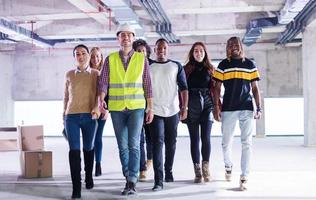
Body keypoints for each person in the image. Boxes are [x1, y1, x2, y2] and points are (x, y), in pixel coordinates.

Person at [98, 23, 154, 195]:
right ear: (118, 38)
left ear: (133, 38)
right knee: (123, 145)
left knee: (134, 144)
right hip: (116, 108)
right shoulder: (110, 59)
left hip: (136, 107)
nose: (126, 38)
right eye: (123, 35)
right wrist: (101, 100)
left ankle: (132, 181)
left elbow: (147, 84)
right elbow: (103, 82)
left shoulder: (141, 59)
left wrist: (150, 107)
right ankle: (128, 175)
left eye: (129, 35)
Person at [213, 36, 262, 191]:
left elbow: (254, 88)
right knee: (226, 143)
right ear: (228, 47)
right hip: (228, 108)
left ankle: (244, 176)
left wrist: (259, 107)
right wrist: (216, 107)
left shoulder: (249, 64)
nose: (233, 46)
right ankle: (228, 166)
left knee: (247, 142)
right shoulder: (223, 64)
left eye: (236, 44)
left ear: (241, 46)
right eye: (230, 44)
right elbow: (216, 88)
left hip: (246, 107)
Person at [149, 38, 188, 191]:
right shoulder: (149, 66)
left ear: (168, 49)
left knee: (171, 143)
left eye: (164, 48)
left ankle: (168, 171)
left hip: (173, 110)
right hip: (155, 110)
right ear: (155, 50)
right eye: (159, 48)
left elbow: (184, 88)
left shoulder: (176, 66)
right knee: (157, 143)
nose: (161, 50)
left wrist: (184, 108)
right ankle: (158, 180)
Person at [63, 44, 99, 199]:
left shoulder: (96, 74)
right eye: (77, 54)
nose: (81, 56)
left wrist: (98, 108)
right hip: (71, 117)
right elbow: (65, 96)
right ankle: (76, 189)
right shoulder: (69, 74)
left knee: (89, 148)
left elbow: (100, 94)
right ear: (75, 57)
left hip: (90, 117)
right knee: (74, 151)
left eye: (83, 53)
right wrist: (63, 114)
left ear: (88, 56)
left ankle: (89, 176)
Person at [183, 42, 215, 183]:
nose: (199, 53)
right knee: (194, 139)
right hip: (192, 104)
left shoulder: (211, 69)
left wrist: (217, 107)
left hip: (207, 104)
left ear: (205, 53)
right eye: (196, 51)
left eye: (201, 51)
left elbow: (215, 89)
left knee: (206, 137)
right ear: (192, 53)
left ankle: (206, 168)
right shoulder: (186, 69)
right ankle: (197, 171)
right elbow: (181, 90)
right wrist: (182, 108)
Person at [132, 39, 153, 182]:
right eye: (138, 51)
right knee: (139, 139)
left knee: (150, 137)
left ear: (147, 52)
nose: (141, 53)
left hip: (151, 106)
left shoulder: (153, 66)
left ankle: (150, 159)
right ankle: (142, 169)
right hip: (136, 106)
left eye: (143, 51)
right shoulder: (132, 67)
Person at [90, 47, 108, 177]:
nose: (95, 59)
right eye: (93, 56)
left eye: (98, 56)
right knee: (89, 138)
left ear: (101, 57)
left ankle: (98, 163)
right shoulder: (87, 72)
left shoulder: (105, 72)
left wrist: (106, 110)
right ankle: (89, 164)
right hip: (88, 108)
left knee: (98, 137)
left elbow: (108, 91)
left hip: (102, 108)